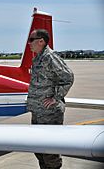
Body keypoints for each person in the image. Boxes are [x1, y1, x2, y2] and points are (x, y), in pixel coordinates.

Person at [27, 29, 74, 169]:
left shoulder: (50, 57)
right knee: (39, 149)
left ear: (41, 41)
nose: (29, 43)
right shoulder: (38, 58)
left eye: (31, 40)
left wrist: (56, 97)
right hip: (38, 112)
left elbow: (68, 78)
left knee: (50, 152)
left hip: (50, 113)